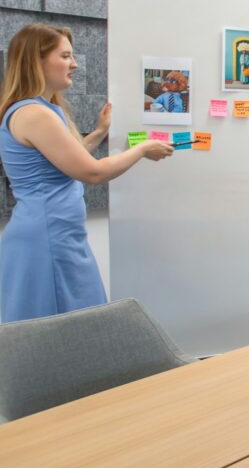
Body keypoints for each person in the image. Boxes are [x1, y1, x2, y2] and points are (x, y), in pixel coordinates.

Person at [0, 24, 174, 323]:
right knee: (62, 338)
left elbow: (66, 159)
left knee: (76, 332)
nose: (75, 63)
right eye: (65, 55)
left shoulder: (38, 110)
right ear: (36, 60)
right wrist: (143, 149)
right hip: (47, 241)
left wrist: (99, 132)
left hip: (56, 235)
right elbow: (91, 172)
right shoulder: (34, 114)